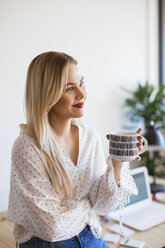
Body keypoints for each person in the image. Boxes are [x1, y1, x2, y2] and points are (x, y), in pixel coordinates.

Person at [7, 51, 142, 248]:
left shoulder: (90, 138)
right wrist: (88, 206)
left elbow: (103, 207)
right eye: (70, 88)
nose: (82, 94)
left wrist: (117, 163)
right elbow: (51, 228)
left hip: (90, 234)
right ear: (47, 94)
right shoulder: (27, 147)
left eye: (82, 83)